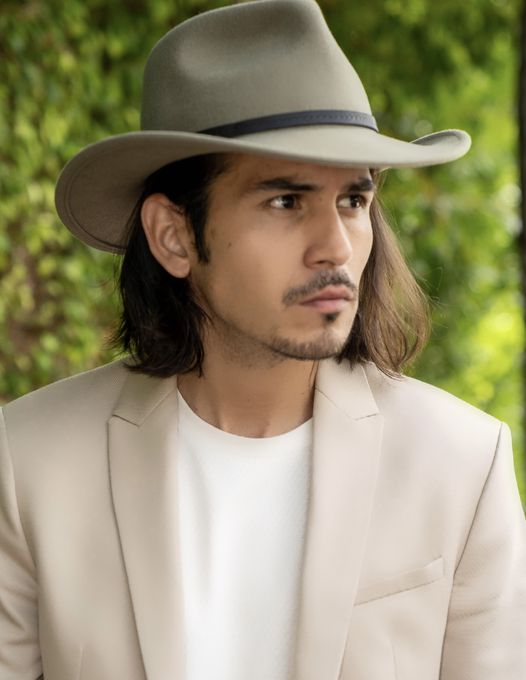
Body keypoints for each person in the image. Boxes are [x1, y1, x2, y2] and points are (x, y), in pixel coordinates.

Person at [1, 0, 525, 678]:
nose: (336, 246)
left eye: (354, 201)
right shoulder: (28, 462)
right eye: (286, 201)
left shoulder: (460, 462)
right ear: (174, 236)